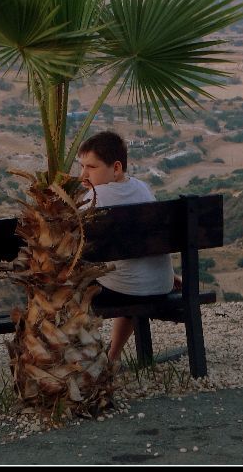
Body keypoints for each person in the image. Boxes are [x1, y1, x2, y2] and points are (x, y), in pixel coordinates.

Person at [76, 130, 179, 366]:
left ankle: (83, 362)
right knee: (124, 274)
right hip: (160, 283)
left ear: (116, 168)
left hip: (126, 288)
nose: (82, 175)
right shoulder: (143, 188)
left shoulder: (94, 198)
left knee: (69, 284)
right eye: (81, 166)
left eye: (90, 167)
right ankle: (113, 357)